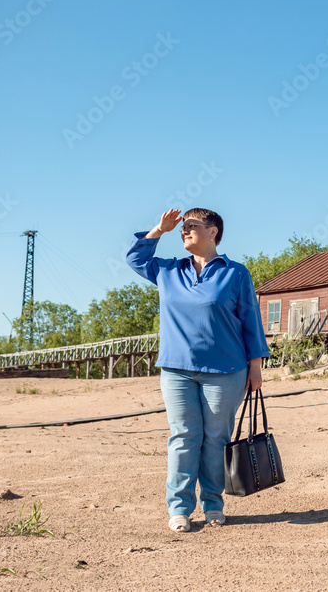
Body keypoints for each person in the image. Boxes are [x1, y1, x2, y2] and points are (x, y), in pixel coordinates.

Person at [126, 207, 269, 532]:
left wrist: (255, 366)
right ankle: (179, 508)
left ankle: (214, 504)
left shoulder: (235, 273)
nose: (184, 230)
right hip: (176, 370)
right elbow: (135, 260)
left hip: (227, 369)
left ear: (213, 231)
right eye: (182, 227)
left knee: (215, 438)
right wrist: (158, 230)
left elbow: (251, 321)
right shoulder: (167, 270)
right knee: (183, 437)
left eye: (191, 225)